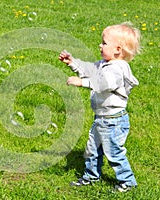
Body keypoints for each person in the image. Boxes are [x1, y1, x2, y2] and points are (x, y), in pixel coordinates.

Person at [59, 22, 141, 192]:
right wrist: (72, 62)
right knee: (92, 150)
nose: (100, 45)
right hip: (101, 119)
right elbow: (89, 69)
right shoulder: (105, 63)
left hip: (113, 121)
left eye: (104, 43)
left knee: (114, 153)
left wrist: (82, 82)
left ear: (117, 49)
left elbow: (104, 83)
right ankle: (90, 177)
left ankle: (127, 182)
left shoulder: (118, 68)